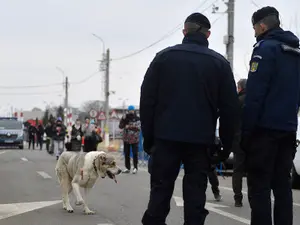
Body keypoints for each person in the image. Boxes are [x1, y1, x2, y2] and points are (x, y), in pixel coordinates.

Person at [140, 13, 239, 225]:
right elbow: (230, 109)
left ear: (184, 32)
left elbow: (147, 101)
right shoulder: (219, 64)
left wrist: (149, 139)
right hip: (200, 141)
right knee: (195, 198)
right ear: (208, 34)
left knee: (160, 192)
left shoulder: (163, 58)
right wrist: (225, 146)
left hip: (165, 138)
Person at [241, 6, 300, 225]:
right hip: (287, 129)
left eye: (255, 28)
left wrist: (246, 134)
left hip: (264, 132)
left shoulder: (265, 50)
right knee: (282, 186)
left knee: (259, 187)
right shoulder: (295, 52)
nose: (255, 32)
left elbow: (254, 97)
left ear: (262, 25)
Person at [232, 78, 247, 207]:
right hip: (254, 140)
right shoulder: (256, 100)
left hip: (239, 140)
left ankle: (238, 198)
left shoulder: (237, 101)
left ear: (240, 88)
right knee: (255, 170)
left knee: (237, 171)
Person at [119, 105, 141, 174]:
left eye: (132, 110)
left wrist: (129, 126)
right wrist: (123, 120)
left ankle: (135, 167)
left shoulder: (137, 118)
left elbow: (138, 128)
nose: (131, 111)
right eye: (130, 110)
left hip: (134, 138)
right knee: (126, 153)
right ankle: (127, 167)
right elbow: (120, 126)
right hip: (126, 138)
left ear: (134, 111)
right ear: (128, 111)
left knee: (135, 153)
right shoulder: (125, 118)